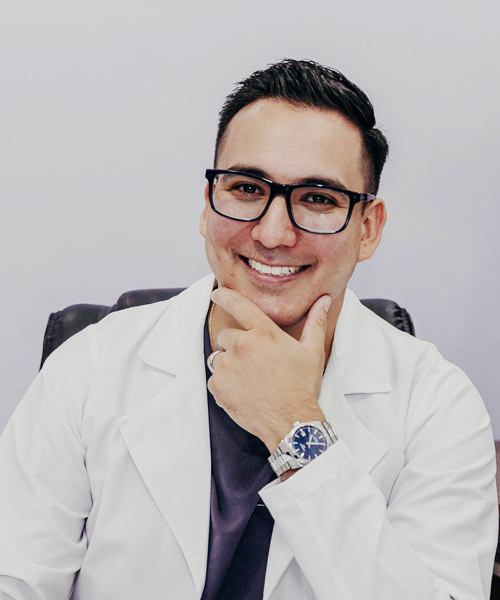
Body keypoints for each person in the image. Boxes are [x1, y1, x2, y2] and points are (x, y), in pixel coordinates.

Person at [0, 59, 497, 600]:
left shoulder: (438, 404)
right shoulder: (89, 369)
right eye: (246, 188)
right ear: (207, 204)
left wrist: (295, 428)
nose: (273, 233)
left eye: (318, 198)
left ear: (368, 229)